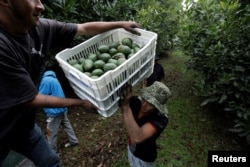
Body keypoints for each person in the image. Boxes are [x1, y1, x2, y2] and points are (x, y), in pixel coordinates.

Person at [0, 0, 141, 166]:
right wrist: (79, 102)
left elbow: (83, 29)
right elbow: (31, 98)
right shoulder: (3, 45)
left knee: (52, 162)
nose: (41, 6)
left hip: (24, 127)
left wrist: (120, 24)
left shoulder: (40, 27)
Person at [119, 81, 171, 167]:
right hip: (131, 148)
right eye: (144, 99)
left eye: (150, 104)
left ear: (158, 106)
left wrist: (125, 106)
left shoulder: (161, 119)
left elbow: (137, 137)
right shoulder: (136, 102)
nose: (144, 105)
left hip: (144, 158)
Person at [39, 70, 79, 152]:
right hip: (62, 108)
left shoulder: (45, 81)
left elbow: (41, 98)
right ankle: (74, 141)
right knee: (67, 126)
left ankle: (52, 152)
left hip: (54, 112)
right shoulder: (53, 78)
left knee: (50, 133)